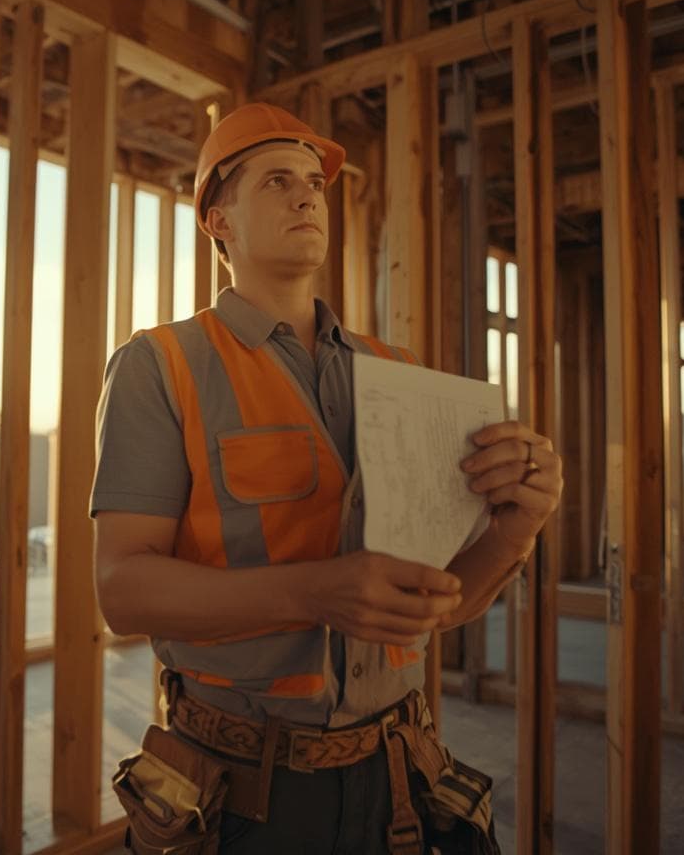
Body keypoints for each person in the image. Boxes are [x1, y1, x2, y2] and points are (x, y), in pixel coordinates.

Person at [93, 103, 564, 854]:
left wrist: (516, 529)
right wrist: (314, 588)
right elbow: (123, 590)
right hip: (242, 791)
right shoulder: (163, 366)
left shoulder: (402, 376)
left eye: (313, 181)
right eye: (278, 181)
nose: (309, 196)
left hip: (398, 778)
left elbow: (441, 605)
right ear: (220, 221)